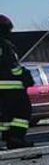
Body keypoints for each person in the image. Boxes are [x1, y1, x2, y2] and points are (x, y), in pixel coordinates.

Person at [0, 14, 35, 149]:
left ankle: (8, 138)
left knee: (6, 114)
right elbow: (13, 66)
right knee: (23, 112)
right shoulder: (5, 44)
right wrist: (25, 75)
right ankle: (17, 138)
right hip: (13, 86)